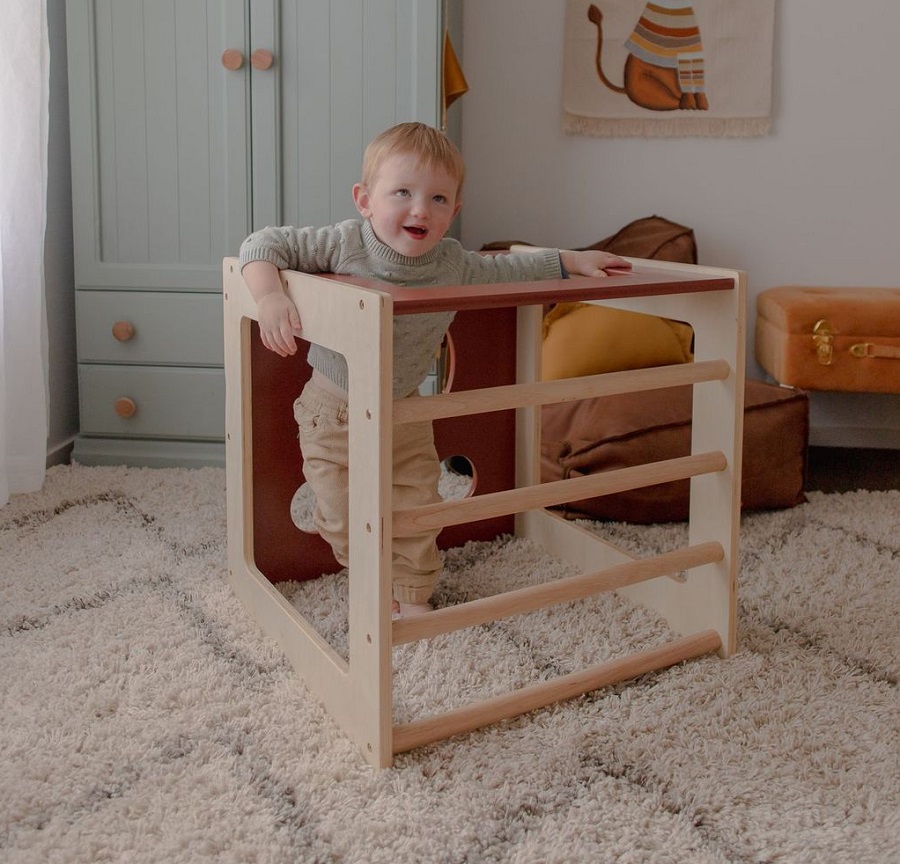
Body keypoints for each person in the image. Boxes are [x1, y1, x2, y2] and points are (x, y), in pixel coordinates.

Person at [239, 122, 630, 618]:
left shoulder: (451, 262)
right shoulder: (343, 243)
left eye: (439, 198)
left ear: (454, 212)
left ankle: (412, 593)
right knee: (340, 511)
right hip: (333, 410)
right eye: (402, 192)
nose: (421, 208)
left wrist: (573, 260)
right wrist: (270, 295)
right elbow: (261, 244)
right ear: (364, 200)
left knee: (418, 509)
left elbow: (507, 269)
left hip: (405, 412)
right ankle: (366, 572)